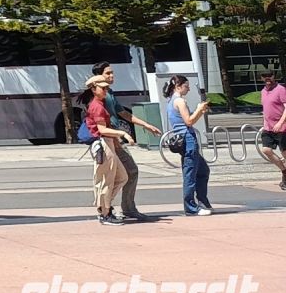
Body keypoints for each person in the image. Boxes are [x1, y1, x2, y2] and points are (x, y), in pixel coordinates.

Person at [90, 61, 162, 221]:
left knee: (122, 175)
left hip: (114, 140)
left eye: (112, 72)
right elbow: (100, 124)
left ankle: (111, 208)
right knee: (122, 174)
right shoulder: (100, 95)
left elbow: (123, 114)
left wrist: (146, 125)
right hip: (110, 142)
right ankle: (109, 209)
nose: (111, 75)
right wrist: (121, 135)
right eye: (108, 73)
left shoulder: (109, 93)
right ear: (98, 76)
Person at [80, 74, 130, 225]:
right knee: (107, 181)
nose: (106, 90)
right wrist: (123, 133)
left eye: (107, 87)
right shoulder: (96, 106)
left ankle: (104, 207)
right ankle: (105, 213)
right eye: (103, 88)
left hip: (108, 143)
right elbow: (102, 129)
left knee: (121, 177)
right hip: (103, 143)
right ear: (94, 89)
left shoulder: (99, 104)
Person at [165, 74, 212, 216]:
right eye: (186, 85)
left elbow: (188, 120)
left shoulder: (172, 101)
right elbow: (189, 121)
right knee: (190, 173)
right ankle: (191, 207)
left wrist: (200, 111)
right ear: (178, 86)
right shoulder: (180, 101)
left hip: (184, 137)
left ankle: (202, 201)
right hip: (187, 138)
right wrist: (199, 109)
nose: (189, 88)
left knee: (202, 170)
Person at [257, 68, 286, 190]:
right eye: (264, 76)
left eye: (269, 75)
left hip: (282, 128)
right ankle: (284, 170)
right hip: (268, 128)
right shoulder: (263, 91)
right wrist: (265, 123)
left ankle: (285, 178)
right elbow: (266, 109)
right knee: (266, 150)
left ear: (274, 76)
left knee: (284, 153)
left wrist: (280, 123)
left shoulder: (281, 90)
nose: (267, 78)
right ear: (261, 78)